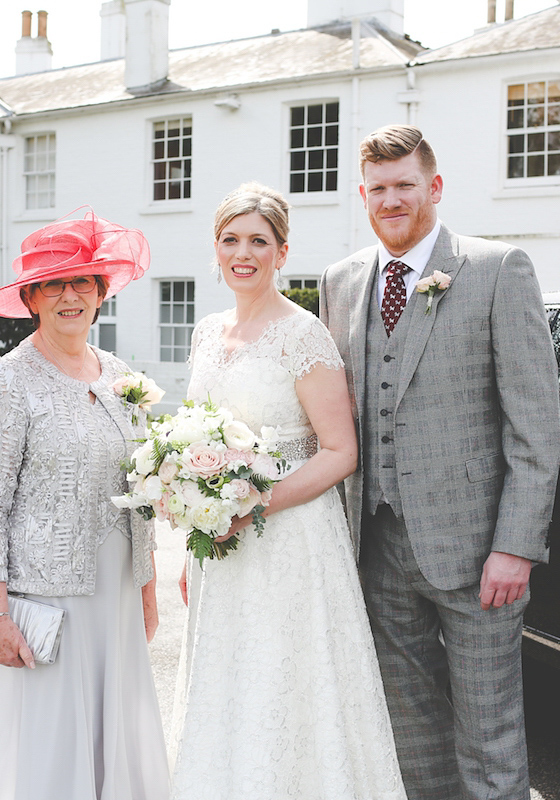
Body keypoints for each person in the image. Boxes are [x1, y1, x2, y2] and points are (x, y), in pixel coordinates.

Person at [318, 125, 560, 800]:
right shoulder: (340, 282)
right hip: (376, 548)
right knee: (410, 735)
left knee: (490, 738)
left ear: (434, 186)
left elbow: (534, 426)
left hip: (478, 554)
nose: (391, 200)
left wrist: (515, 546)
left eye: (404, 186)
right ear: (362, 195)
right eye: (378, 189)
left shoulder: (496, 268)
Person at [167, 183, 407, 800]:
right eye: (230, 240)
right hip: (219, 544)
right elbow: (197, 437)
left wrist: (253, 505)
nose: (242, 253)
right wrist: (196, 530)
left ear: (282, 251)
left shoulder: (303, 335)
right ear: (215, 250)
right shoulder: (206, 331)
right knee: (227, 681)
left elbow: (341, 452)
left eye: (258, 241)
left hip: (290, 541)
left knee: (287, 682)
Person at [0, 210, 169, 800]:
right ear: (32, 298)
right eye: (54, 283)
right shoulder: (7, 382)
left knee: (113, 733)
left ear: (101, 293)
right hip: (46, 600)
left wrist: (145, 589)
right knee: (46, 750)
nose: (70, 295)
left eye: (82, 282)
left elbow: (139, 490)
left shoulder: (121, 376)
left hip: (115, 596)